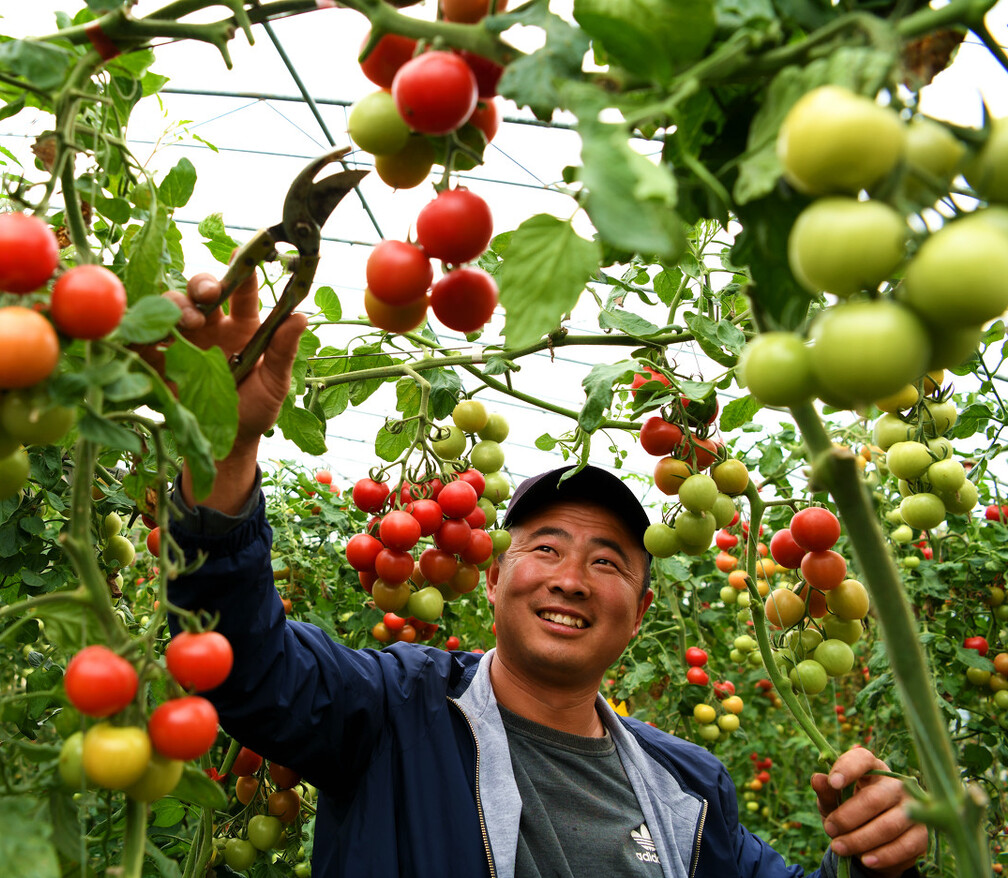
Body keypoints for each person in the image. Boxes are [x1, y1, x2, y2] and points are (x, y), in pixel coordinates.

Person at [161, 270, 928, 877]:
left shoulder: (690, 788)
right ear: (494, 581)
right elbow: (240, 661)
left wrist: (871, 859)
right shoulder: (390, 711)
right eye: (546, 548)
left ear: (639, 608)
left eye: (606, 562)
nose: (572, 578)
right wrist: (227, 454)